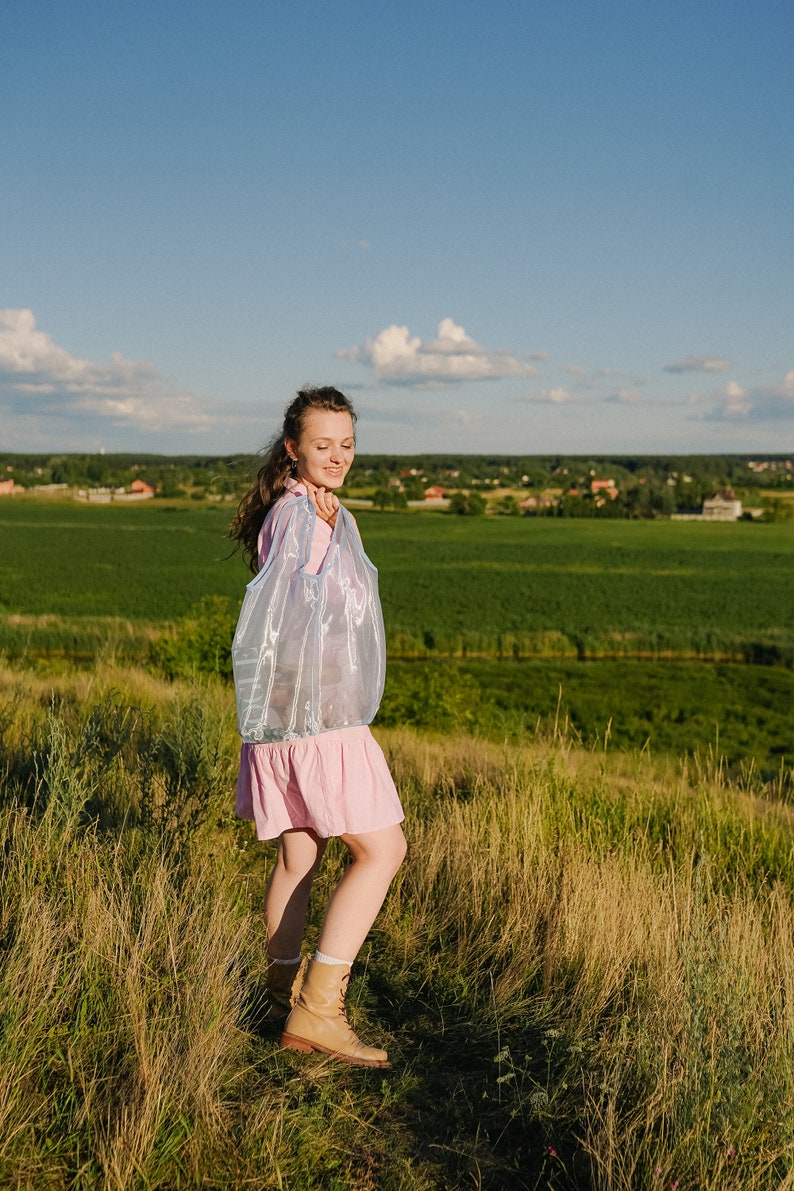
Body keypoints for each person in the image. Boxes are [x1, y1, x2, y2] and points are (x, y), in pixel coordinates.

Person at [229, 386, 406, 1069]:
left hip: (284, 721)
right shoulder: (306, 519)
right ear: (293, 448)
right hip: (317, 720)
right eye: (322, 444)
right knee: (383, 850)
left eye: (347, 445)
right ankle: (319, 1009)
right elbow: (298, 621)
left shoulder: (298, 511)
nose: (336, 456)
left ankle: (278, 998)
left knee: (300, 857)